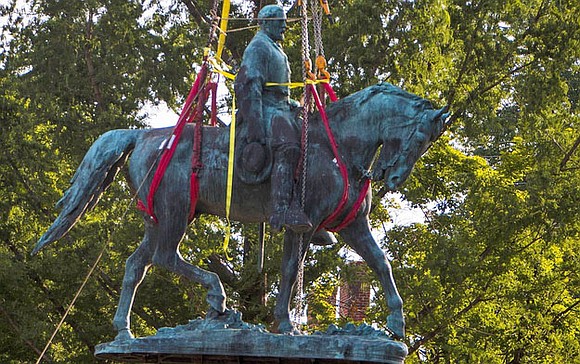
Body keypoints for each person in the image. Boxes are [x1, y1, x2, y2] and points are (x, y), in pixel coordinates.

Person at [234, 4, 312, 233]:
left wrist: (292, 105)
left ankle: (307, 202)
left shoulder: (274, 47)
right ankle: (281, 209)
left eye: (285, 21)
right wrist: (255, 125)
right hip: (264, 109)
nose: (285, 26)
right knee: (288, 146)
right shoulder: (259, 47)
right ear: (266, 22)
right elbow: (249, 86)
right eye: (280, 22)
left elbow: (279, 89)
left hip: (280, 107)